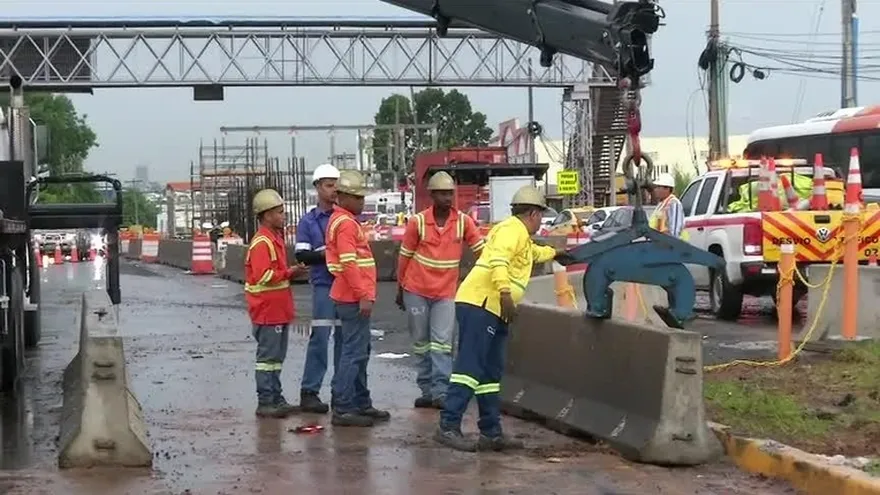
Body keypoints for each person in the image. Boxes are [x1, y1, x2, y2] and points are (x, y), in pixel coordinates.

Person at [435, 185, 569, 452]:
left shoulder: (519, 236)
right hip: (482, 303)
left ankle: (491, 432)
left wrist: (555, 253)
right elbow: (498, 260)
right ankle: (448, 426)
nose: (541, 221)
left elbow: (532, 253)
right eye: (540, 215)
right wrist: (506, 293)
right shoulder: (512, 230)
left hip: (494, 308)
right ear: (532, 213)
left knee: (489, 373)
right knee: (470, 368)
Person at [396, 171, 485, 409]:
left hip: (445, 293)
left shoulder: (464, 222)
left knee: (443, 343)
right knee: (421, 343)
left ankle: (441, 392)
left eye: (450, 194)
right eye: (443, 194)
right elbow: (404, 258)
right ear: (433, 196)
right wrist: (400, 288)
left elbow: (481, 251)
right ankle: (427, 390)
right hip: (416, 289)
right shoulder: (418, 222)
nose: (448, 198)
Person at [325, 170, 390, 427]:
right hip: (352, 297)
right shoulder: (345, 224)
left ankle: (360, 401)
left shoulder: (344, 221)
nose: (362, 203)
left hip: (351, 295)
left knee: (360, 351)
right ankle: (344, 406)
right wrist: (363, 295)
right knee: (353, 353)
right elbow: (349, 263)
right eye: (358, 198)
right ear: (343, 197)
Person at [245, 189, 306, 418]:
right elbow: (264, 276)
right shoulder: (263, 242)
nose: (284, 216)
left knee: (275, 359)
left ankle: (275, 397)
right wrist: (290, 272)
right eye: (279, 212)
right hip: (267, 310)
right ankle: (266, 400)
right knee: (267, 359)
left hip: (277, 310)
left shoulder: (274, 239)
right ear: (267, 214)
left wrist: (289, 272)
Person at [294, 163, 342, 414]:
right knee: (321, 339)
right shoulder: (309, 222)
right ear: (317, 188)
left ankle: (342, 392)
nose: (334, 190)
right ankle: (310, 391)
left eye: (336, 185)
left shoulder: (345, 218)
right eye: (329, 185)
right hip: (324, 286)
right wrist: (328, 253)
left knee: (346, 341)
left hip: (347, 286)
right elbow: (302, 255)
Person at [649, 173, 687, 239]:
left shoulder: (674, 203)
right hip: (661, 243)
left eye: (658, 187)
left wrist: (673, 244)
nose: (655, 190)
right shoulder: (662, 204)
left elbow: (675, 230)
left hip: (671, 245)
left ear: (667, 188)